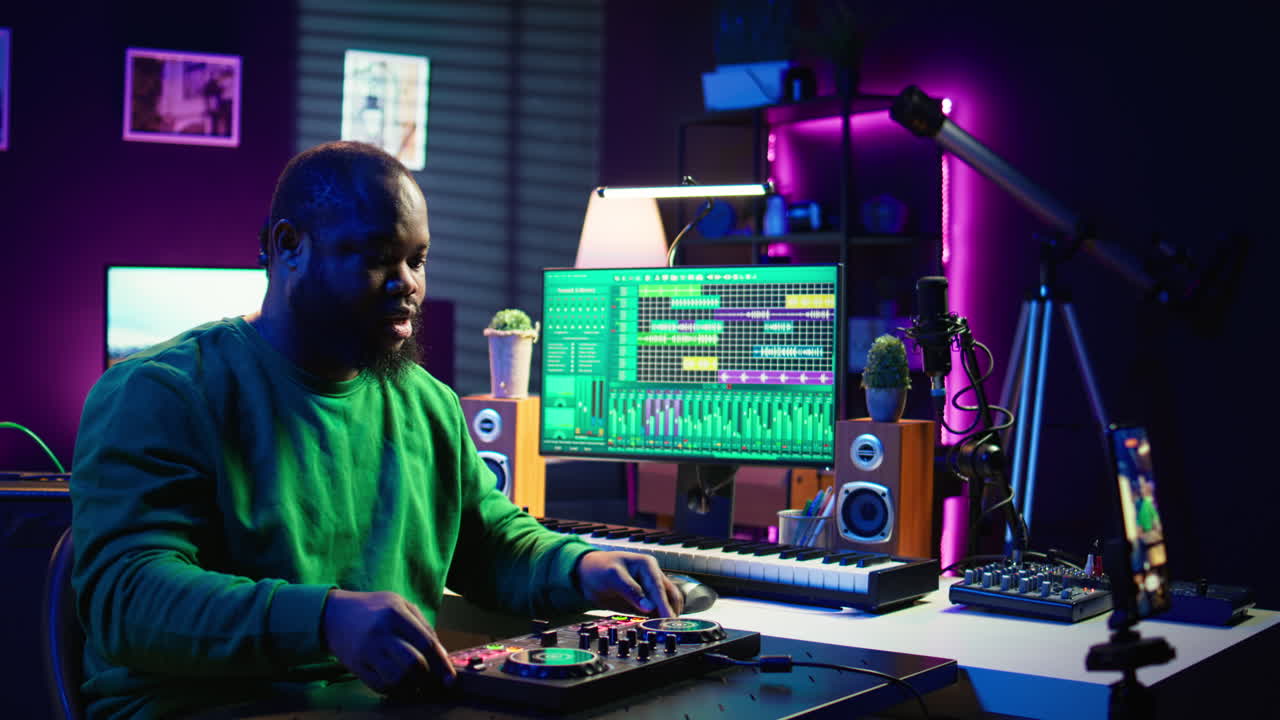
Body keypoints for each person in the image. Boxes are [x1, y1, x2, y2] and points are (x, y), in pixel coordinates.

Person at [69, 140, 681, 720]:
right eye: (376, 258)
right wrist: (324, 620)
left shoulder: (429, 405)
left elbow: (489, 541)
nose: (407, 284)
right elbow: (126, 596)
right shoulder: (163, 392)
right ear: (288, 247)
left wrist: (581, 567)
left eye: (417, 260)